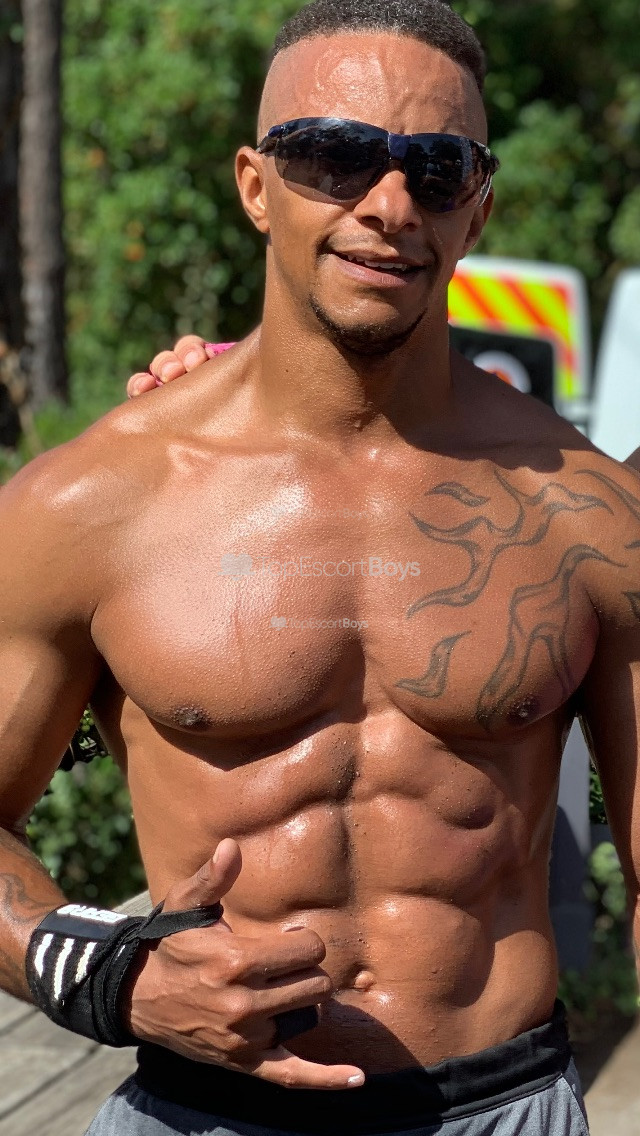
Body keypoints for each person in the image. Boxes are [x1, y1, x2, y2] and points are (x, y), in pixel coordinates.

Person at [1, 1, 639, 1133]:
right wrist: (110, 976)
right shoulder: (89, 506)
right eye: (336, 157)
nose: (389, 206)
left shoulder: (583, 513)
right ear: (256, 186)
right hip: (203, 1110)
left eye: (437, 169)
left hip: (503, 1105)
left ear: (478, 208)